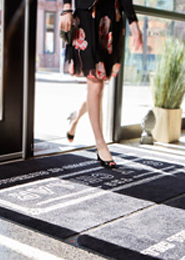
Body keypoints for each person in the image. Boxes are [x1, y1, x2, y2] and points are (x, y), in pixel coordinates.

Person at [60, 0, 143, 168]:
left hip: (112, 16)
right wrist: (66, 7)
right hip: (87, 15)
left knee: (99, 84)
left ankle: (75, 117)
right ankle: (100, 145)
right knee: (95, 83)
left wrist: (133, 21)